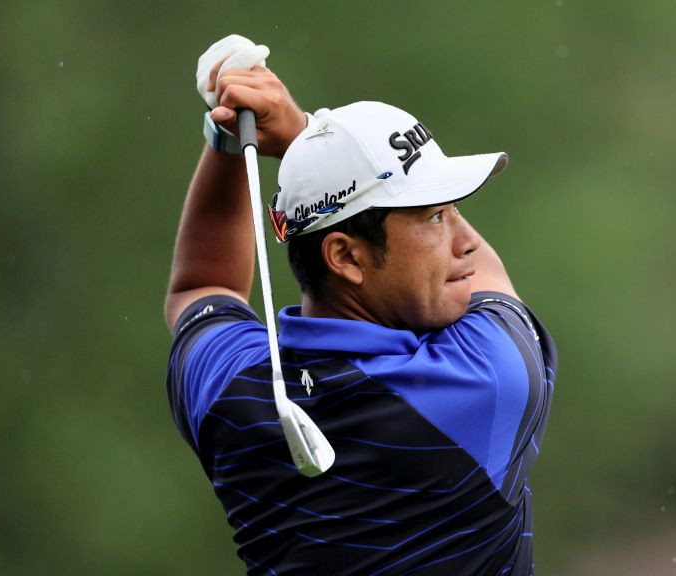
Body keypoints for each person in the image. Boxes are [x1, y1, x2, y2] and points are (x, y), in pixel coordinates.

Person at [164, 35, 557, 575]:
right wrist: (302, 135)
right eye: (434, 216)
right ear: (345, 257)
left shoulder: (232, 386)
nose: (464, 239)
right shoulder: (484, 380)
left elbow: (201, 286)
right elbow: (480, 275)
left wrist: (232, 139)